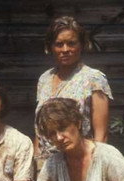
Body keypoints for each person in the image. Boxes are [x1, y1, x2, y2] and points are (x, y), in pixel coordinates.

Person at [34, 16, 112, 159]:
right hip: (46, 162)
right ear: (51, 47)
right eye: (59, 44)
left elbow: (101, 134)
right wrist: (36, 158)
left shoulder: (94, 79)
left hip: (78, 161)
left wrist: (94, 165)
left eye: (71, 43)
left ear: (81, 45)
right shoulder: (45, 79)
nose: (65, 49)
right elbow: (39, 129)